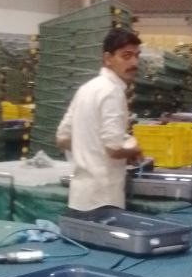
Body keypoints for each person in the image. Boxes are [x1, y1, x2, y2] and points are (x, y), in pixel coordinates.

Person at [56, 28, 142, 210]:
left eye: (136, 56)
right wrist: (135, 150)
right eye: (126, 56)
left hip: (79, 197)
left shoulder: (86, 89)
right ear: (108, 58)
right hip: (103, 198)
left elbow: (62, 139)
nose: (134, 62)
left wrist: (89, 148)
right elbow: (113, 149)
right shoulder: (112, 92)